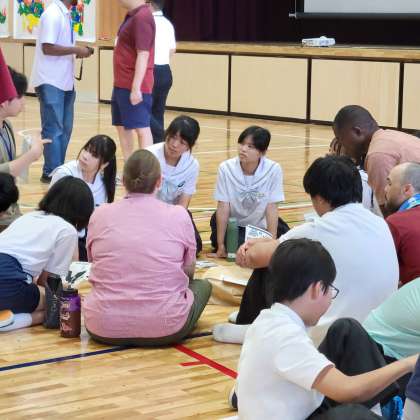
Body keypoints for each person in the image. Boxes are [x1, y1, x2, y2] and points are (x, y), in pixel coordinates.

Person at [213, 156, 398, 345]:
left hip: (329, 334)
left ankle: (255, 324)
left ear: (320, 198)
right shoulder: (379, 223)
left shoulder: (320, 228)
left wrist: (250, 248)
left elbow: (256, 258)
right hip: (376, 331)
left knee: (281, 262)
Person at [235, 238, 417, 420]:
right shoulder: (283, 336)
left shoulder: (272, 319)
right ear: (317, 289)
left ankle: (385, 409)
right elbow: (348, 390)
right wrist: (409, 363)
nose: (331, 297)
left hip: (301, 409)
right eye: (329, 289)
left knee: (346, 330)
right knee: (353, 416)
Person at [84, 149, 212, 346]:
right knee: (203, 286)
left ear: (123, 181)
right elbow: (188, 270)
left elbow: (94, 261)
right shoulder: (178, 215)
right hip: (166, 326)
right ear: (159, 182)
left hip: (102, 324)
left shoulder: (100, 214)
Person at [0, 177, 94, 331]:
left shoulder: (28, 217)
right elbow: (49, 283)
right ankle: (11, 321)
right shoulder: (66, 230)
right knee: (60, 305)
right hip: (7, 281)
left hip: (8, 275)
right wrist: (69, 297)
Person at [31, 0, 94, 183]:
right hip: (50, 81)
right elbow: (47, 47)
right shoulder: (52, 14)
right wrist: (77, 49)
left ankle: (58, 170)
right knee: (54, 129)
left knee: (65, 129)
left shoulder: (65, 14)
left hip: (65, 81)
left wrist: (77, 51)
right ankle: (51, 172)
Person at [210, 126, 287, 258]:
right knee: (235, 249)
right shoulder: (226, 168)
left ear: (262, 152)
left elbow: (272, 207)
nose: (243, 149)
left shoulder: (273, 169)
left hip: (260, 225)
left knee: (285, 244)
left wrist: (271, 245)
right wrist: (221, 245)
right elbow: (223, 206)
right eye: (242, 143)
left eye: (250, 146)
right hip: (233, 224)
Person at [333, 105, 420, 216]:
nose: (341, 144)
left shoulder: (377, 154)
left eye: (340, 138)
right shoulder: (390, 135)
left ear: (357, 132)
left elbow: (385, 212)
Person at [50, 135, 117, 260]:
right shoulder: (65, 174)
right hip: (59, 236)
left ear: (104, 165)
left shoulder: (104, 183)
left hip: (86, 237)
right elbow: (52, 214)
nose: (85, 156)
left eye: (94, 155)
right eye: (86, 149)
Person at [0, 66, 51, 229]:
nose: (24, 101)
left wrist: (27, 153)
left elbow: (8, 165)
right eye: (20, 96)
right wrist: (31, 155)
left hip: (10, 211)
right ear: (4, 102)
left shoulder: (6, 125)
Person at [147, 115, 202, 253]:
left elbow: (183, 204)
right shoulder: (149, 155)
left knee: (194, 246)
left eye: (182, 142)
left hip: (173, 213)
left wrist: (172, 223)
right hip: (148, 212)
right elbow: (141, 198)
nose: (174, 144)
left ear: (191, 145)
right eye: (172, 137)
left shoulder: (192, 165)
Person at [113, 0, 156, 160]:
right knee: (122, 126)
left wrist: (136, 87)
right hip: (121, 83)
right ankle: (129, 167)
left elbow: (143, 54)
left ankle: (147, 169)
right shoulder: (132, 16)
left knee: (141, 128)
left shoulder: (142, 17)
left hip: (133, 85)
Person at [383, 162, 420, 285]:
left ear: (407, 189)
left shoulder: (396, 222)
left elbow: (380, 268)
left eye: (389, 183)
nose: (385, 189)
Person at [329, 137, 380, 214]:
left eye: (335, 153)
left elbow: (362, 210)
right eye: (329, 151)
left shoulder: (362, 179)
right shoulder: (339, 176)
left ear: (352, 159)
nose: (329, 155)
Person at [149, 0, 176, 143]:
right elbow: (172, 49)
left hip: (151, 70)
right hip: (165, 70)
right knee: (158, 112)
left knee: (142, 110)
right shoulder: (168, 24)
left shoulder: (147, 23)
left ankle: (163, 135)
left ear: (150, 5)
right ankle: (158, 146)